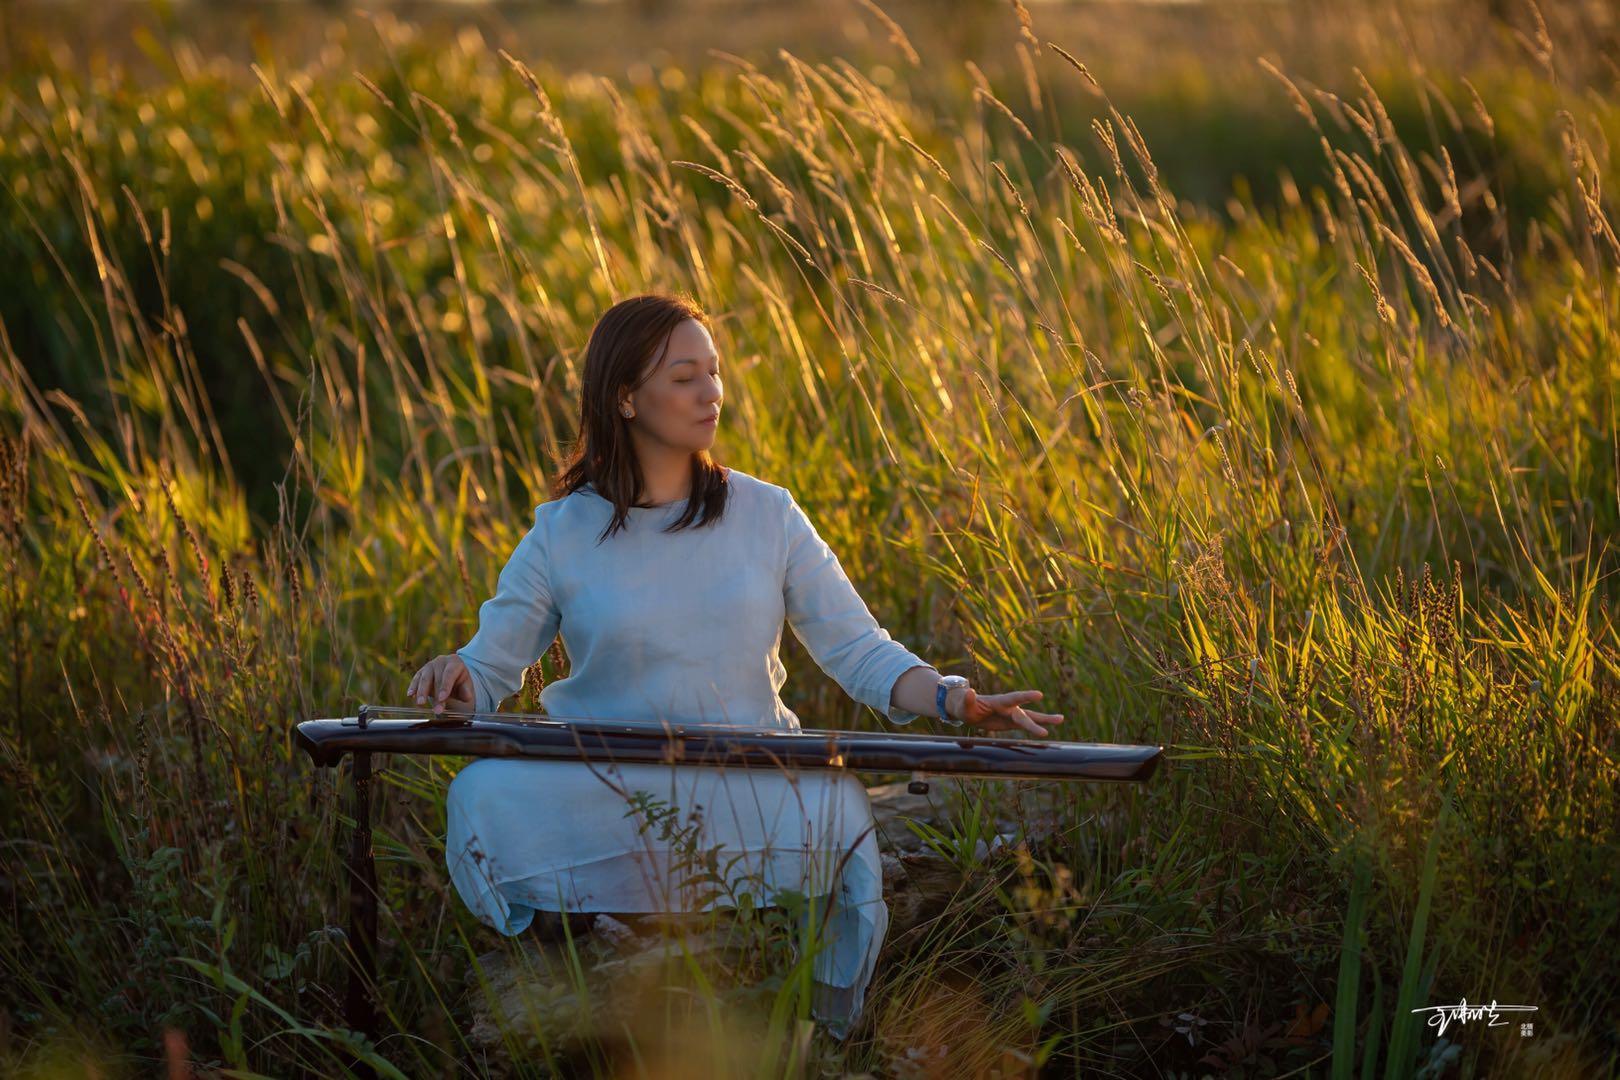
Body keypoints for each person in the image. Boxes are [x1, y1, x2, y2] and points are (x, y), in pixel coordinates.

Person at [406, 292, 1064, 1036]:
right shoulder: (563, 530)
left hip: (746, 776)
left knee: (837, 808)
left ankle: (800, 1007)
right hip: (605, 779)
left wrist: (952, 700)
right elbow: (489, 667)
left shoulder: (767, 513)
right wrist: (457, 678)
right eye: (684, 376)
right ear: (625, 398)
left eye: (713, 372)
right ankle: (583, 938)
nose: (710, 392)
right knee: (483, 795)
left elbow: (856, 647)